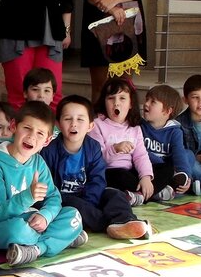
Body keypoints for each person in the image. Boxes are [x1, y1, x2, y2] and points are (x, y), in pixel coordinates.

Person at [0, 101, 84, 267]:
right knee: (17, 230)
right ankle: (59, 239)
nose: (31, 137)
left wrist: (45, 216)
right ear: (14, 126)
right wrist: (28, 196)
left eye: (40, 133)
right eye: (27, 128)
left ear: (47, 140)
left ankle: (36, 249)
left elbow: (53, 197)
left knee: (73, 215)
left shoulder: (38, 162)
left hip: (23, 218)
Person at [42, 95, 150, 241]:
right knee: (75, 204)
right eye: (67, 119)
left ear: (90, 126)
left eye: (80, 119)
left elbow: (98, 179)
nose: (74, 124)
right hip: (62, 199)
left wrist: (90, 203)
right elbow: (48, 187)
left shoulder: (93, 147)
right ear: (58, 124)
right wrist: (86, 207)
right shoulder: (49, 150)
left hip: (88, 197)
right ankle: (109, 224)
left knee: (114, 194)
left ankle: (126, 220)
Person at [89, 76, 157, 205]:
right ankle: (150, 193)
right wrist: (115, 149)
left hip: (129, 171)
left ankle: (141, 193)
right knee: (120, 175)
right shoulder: (97, 125)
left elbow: (141, 156)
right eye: (111, 98)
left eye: (122, 98)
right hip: (108, 172)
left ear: (131, 104)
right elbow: (96, 160)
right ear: (104, 102)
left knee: (165, 168)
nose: (116, 103)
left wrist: (145, 177)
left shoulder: (135, 128)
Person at [140, 84, 197, 200]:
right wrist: (163, 164)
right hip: (149, 168)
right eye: (147, 99)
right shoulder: (139, 126)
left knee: (188, 155)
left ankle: (182, 182)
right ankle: (165, 189)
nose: (146, 104)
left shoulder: (174, 131)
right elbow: (141, 152)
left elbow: (179, 154)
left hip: (168, 168)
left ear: (167, 111)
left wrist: (185, 174)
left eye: (153, 102)